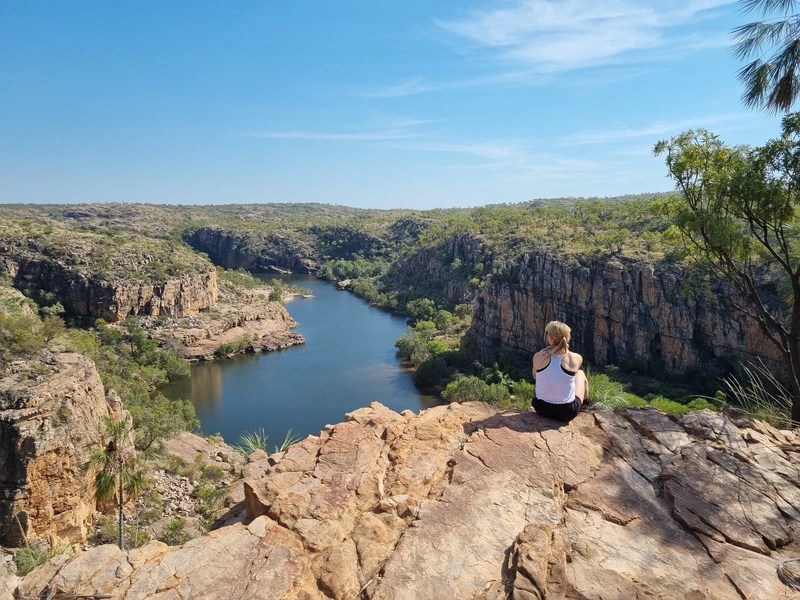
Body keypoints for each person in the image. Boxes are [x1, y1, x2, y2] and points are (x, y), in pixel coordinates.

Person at [531, 320, 589, 423]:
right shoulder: (576, 358)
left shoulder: (538, 356)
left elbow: (535, 376)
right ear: (567, 337)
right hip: (566, 412)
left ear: (551, 338)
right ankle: (585, 404)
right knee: (580, 373)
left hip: (541, 408)